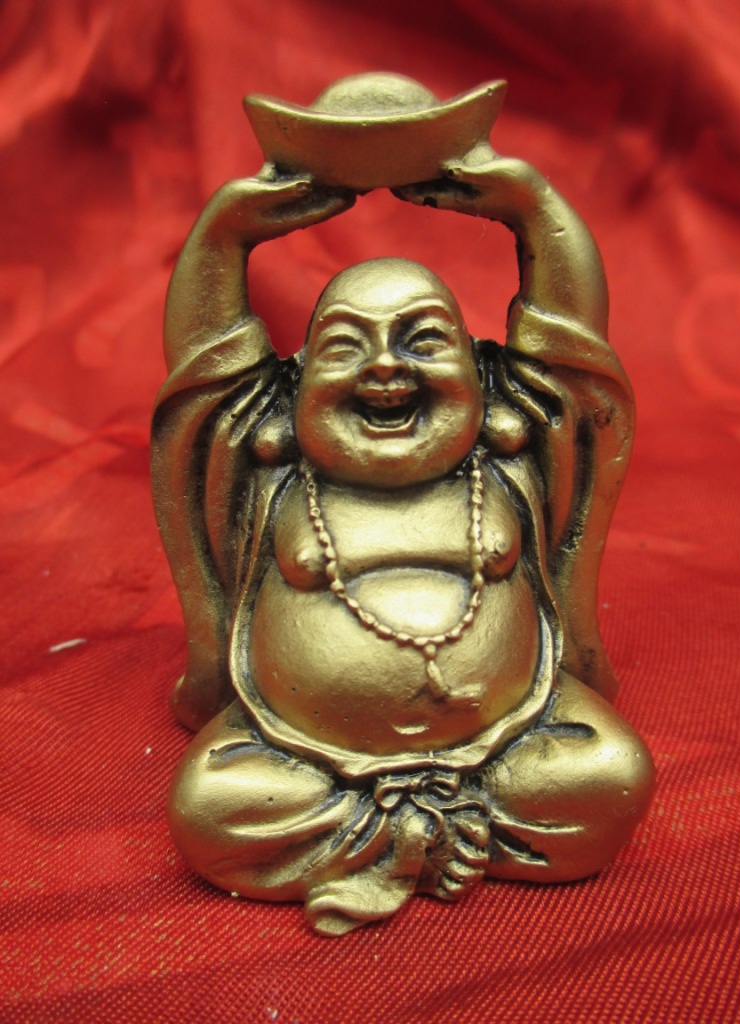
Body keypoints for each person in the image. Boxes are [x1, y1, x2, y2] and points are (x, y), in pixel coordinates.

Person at [152, 150, 654, 935]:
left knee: (611, 772)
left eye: (423, 340)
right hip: (300, 749)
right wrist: (220, 238)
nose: (386, 367)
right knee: (211, 805)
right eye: (346, 346)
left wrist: (536, 210)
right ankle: (446, 835)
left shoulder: (511, 451)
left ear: (482, 373)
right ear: (295, 381)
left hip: (509, 735)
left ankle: (380, 842)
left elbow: (572, 354)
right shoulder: (270, 462)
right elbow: (205, 371)